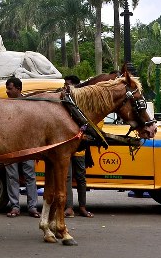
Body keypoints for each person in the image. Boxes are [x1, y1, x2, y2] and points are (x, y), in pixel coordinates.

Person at [4, 77, 40, 218]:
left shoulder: (30, 104)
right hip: (10, 146)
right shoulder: (4, 106)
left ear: (19, 89)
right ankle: (15, 206)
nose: (7, 92)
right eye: (7, 89)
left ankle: (32, 207)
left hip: (28, 146)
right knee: (12, 176)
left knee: (30, 176)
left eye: (10, 89)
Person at [62, 75, 93, 218]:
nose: (64, 87)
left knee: (80, 177)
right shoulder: (63, 102)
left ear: (75, 86)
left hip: (79, 147)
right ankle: (69, 207)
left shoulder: (83, 103)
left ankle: (82, 206)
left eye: (67, 85)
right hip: (67, 146)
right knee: (67, 177)